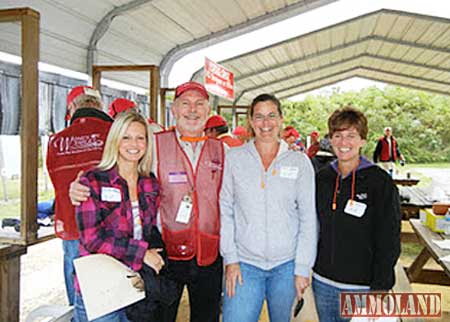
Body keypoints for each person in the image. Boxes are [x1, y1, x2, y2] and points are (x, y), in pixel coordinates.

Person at [70, 81, 224, 322]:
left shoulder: (222, 151)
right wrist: (78, 185)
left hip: (205, 256)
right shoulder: (157, 145)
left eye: (199, 104)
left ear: (208, 110)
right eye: (185, 104)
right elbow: (92, 236)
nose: (192, 110)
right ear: (174, 109)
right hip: (156, 261)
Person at [220, 93, 318, 322]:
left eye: (272, 116)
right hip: (244, 265)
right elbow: (226, 210)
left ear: (281, 119)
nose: (266, 123)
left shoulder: (299, 162)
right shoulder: (235, 158)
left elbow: (308, 219)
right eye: (259, 117)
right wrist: (230, 259)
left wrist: (303, 268)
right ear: (251, 122)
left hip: (287, 266)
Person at [312, 107, 401, 321]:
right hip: (323, 283)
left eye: (351, 136)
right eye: (338, 136)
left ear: (362, 140)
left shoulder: (380, 182)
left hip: (362, 287)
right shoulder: (321, 179)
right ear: (330, 140)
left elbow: (389, 239)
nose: (344, 143)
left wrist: (380, 288)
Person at [74, 111, 163, 321]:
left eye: (140, 138)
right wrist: (142, 253)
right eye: (126, 137)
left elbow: (148, 230)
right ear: (115, 140)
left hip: (134, 283)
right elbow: (92, 239)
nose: (134, 144)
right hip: (100, 288)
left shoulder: (149, 182)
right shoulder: (93, 180)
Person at [46, 85, 113, 305]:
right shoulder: (115, 134)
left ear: (72, 108)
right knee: (112, 296)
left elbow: (57, 184)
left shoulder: (57, 141)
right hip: (111, 230)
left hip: (72, 227)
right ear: (100, 106)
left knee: (79, 298)